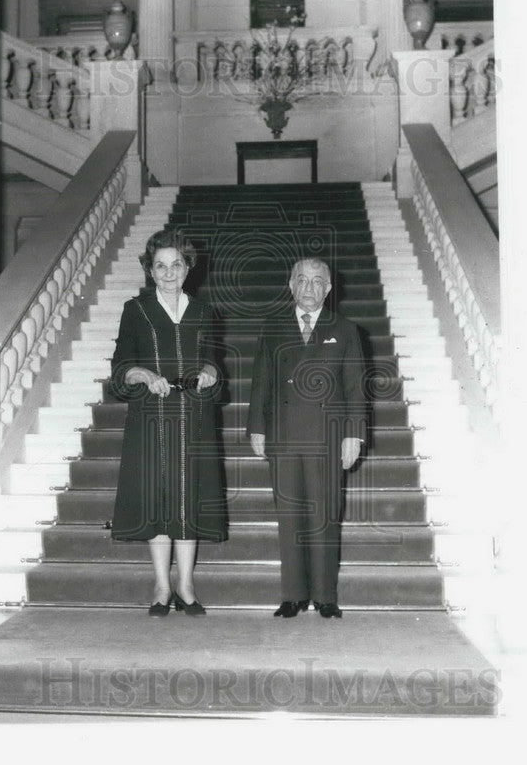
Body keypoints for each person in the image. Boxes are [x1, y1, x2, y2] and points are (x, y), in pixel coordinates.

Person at [109, 229, 226, 616]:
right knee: (159, 500)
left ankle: (186, 586)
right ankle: (161, 586)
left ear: (188, 267)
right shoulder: (136, 310)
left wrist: (209, 372)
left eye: (176, 264)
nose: (169, 272)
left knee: (188, 499)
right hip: (151, 419)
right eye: (160, 265)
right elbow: (121, 367)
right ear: (150, 271)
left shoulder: (205, 311)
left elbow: (213, 360)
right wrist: (144, 374)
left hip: (194, 416)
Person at [247, 257, 367, 619]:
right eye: (302, 280)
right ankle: (293, 594)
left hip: (327, 436)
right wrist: (256, 426)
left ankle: (325, 595)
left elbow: (354, 387)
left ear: (329, 289)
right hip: (283, 434)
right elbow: (261, 381)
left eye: (317, 281)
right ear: (291, 285)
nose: (309, 287)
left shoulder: (344, 329)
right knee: (289, 516)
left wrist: (354, 435)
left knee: (325, 516)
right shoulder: (272, 327)